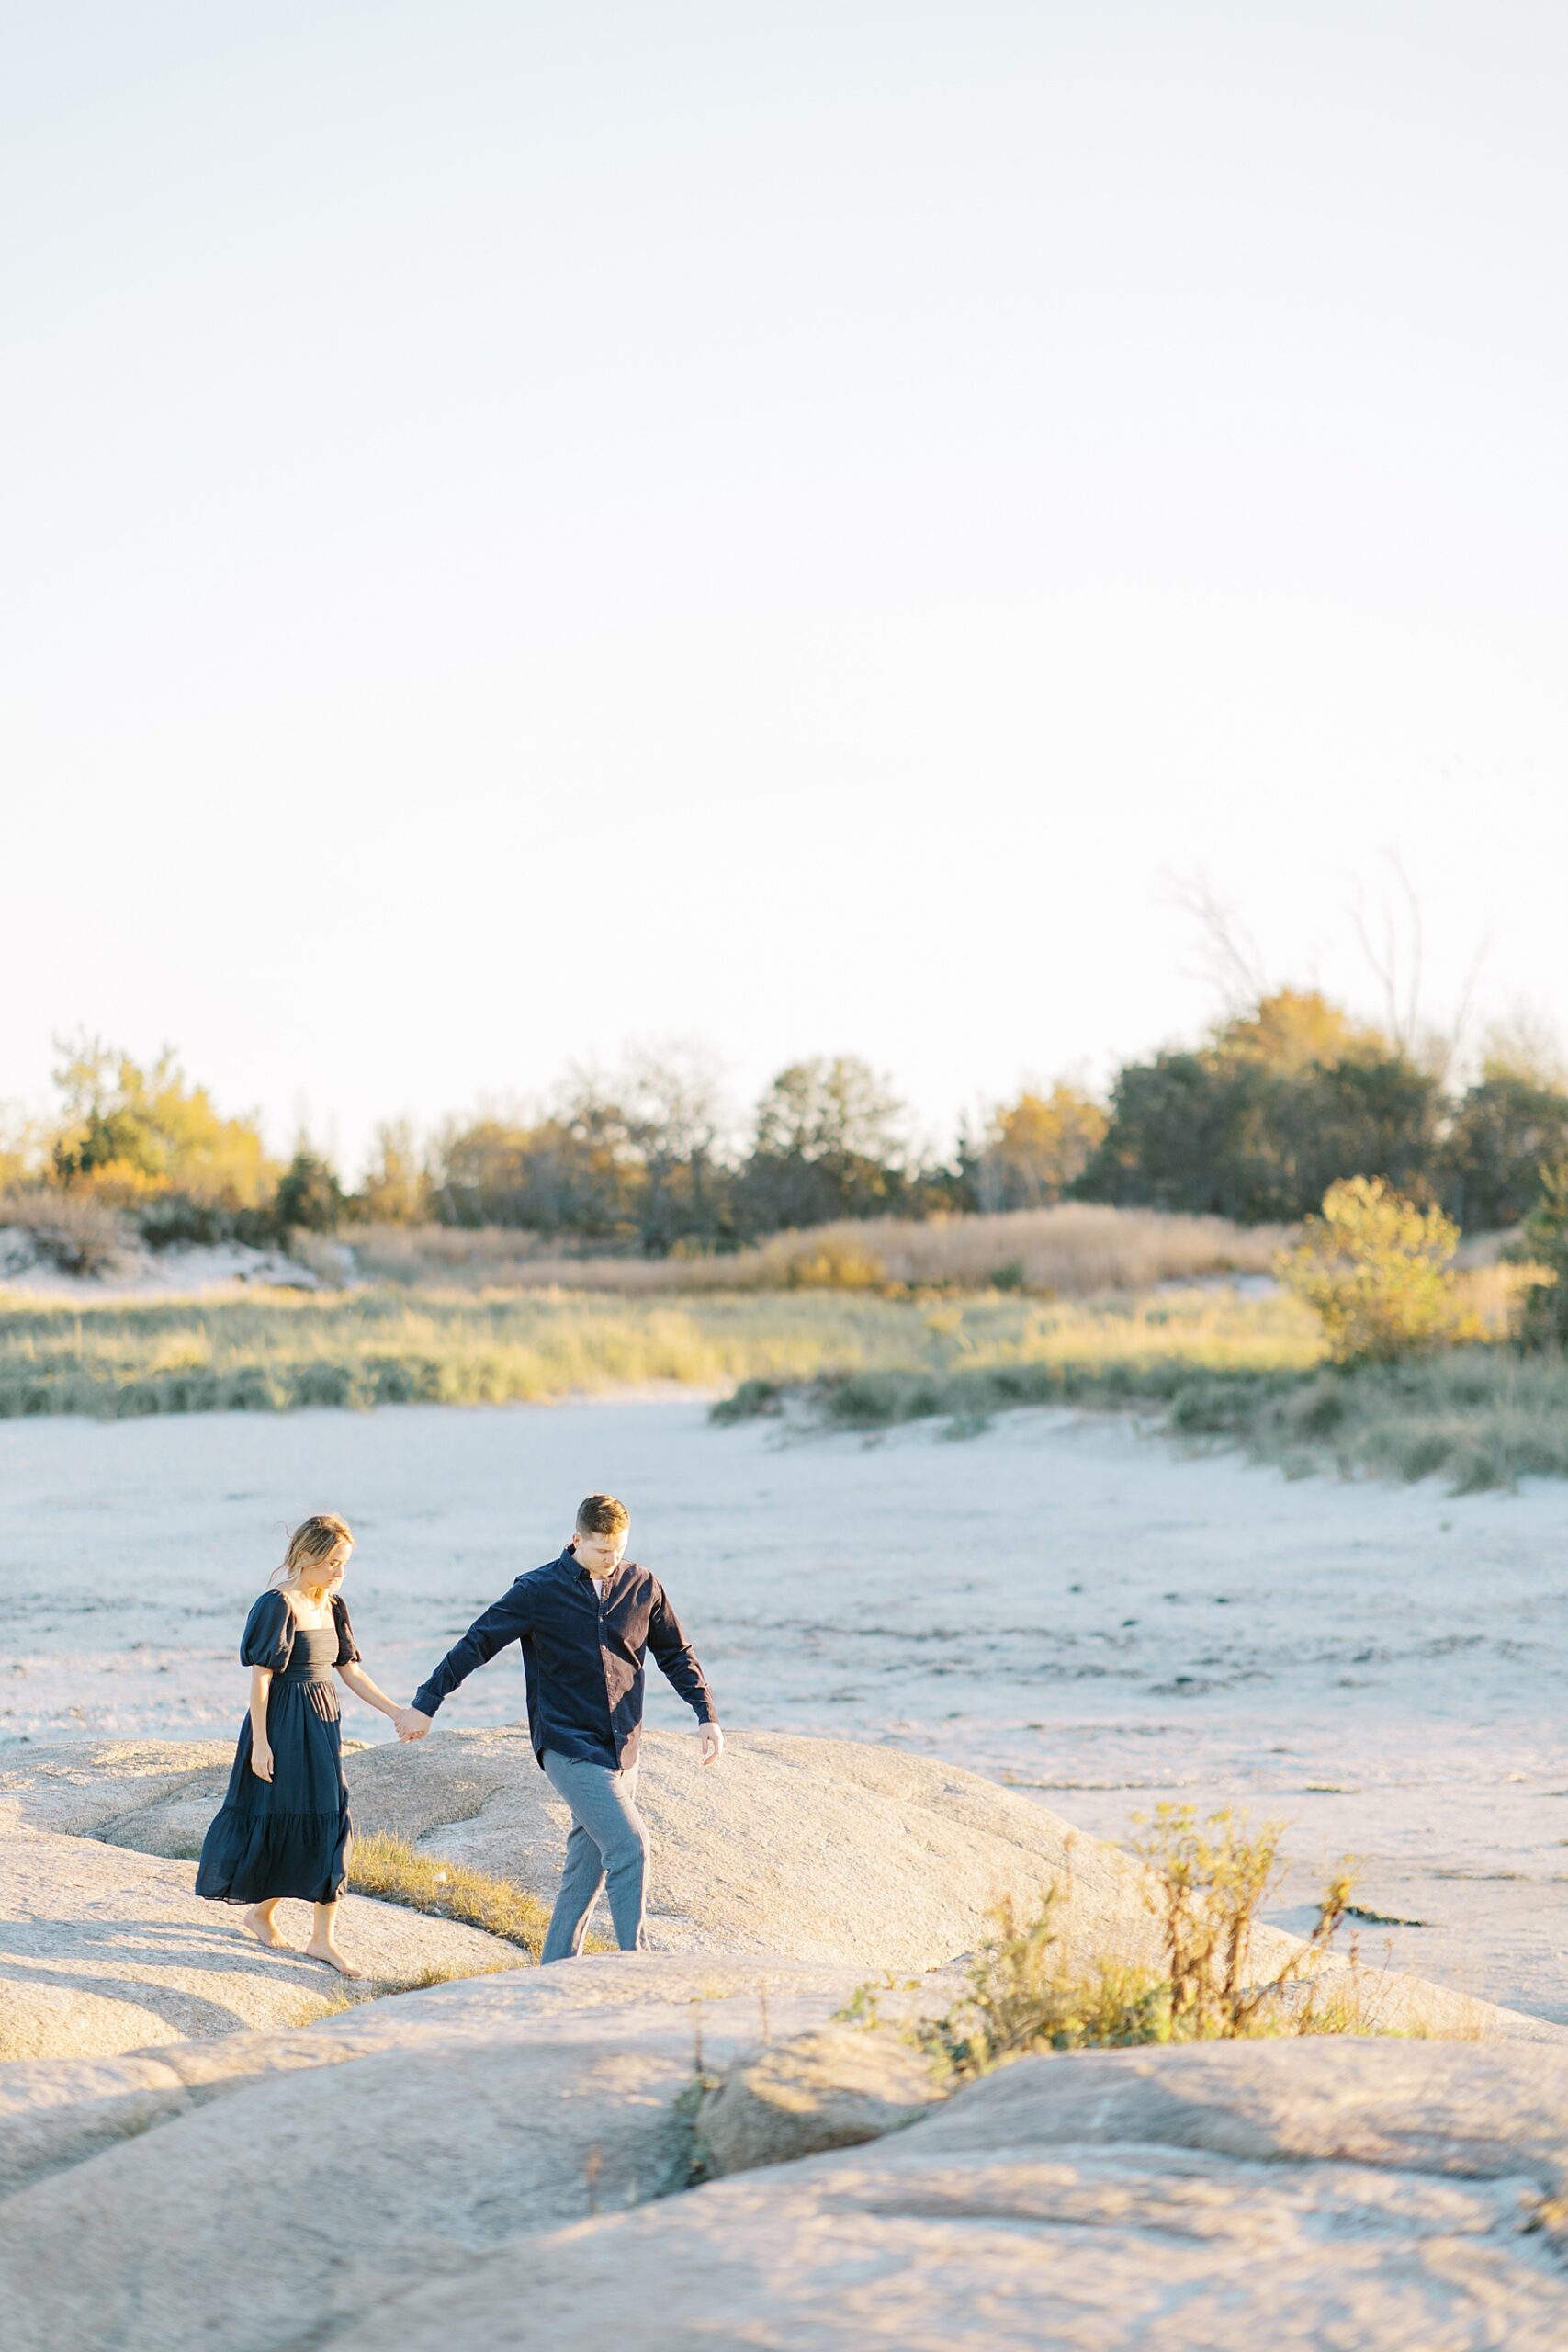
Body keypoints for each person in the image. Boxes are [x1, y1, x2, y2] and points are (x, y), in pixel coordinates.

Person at [395, 1493, 722, 1962]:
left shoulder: (642, 1585)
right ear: (576, 1540)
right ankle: (639, 1962)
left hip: (623, 1745)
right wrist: (426, 1704)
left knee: (584, 1871)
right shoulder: (536, 1590)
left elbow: (675, 1653)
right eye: (602, 1550)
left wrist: (705, 1713)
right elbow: (476, 1644)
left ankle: (554, 1968)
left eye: (620, 1549)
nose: (612, 1560)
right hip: (567, 1744)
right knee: (630, 1847)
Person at [196, 1511, 406, 1977]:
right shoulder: (276, 1605)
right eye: (332, 1562)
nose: (339, 1572)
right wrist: (261, 1744)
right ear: (306, 1557)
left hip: (323, 1722)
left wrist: (396, 1712)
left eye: (344, 1563)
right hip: (283, 1725)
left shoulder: (334, 1605)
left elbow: (350, 1670)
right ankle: (262, 1912)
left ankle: (320, 1939)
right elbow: (262, 1680)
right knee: (283, 1819)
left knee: (331, 1820)